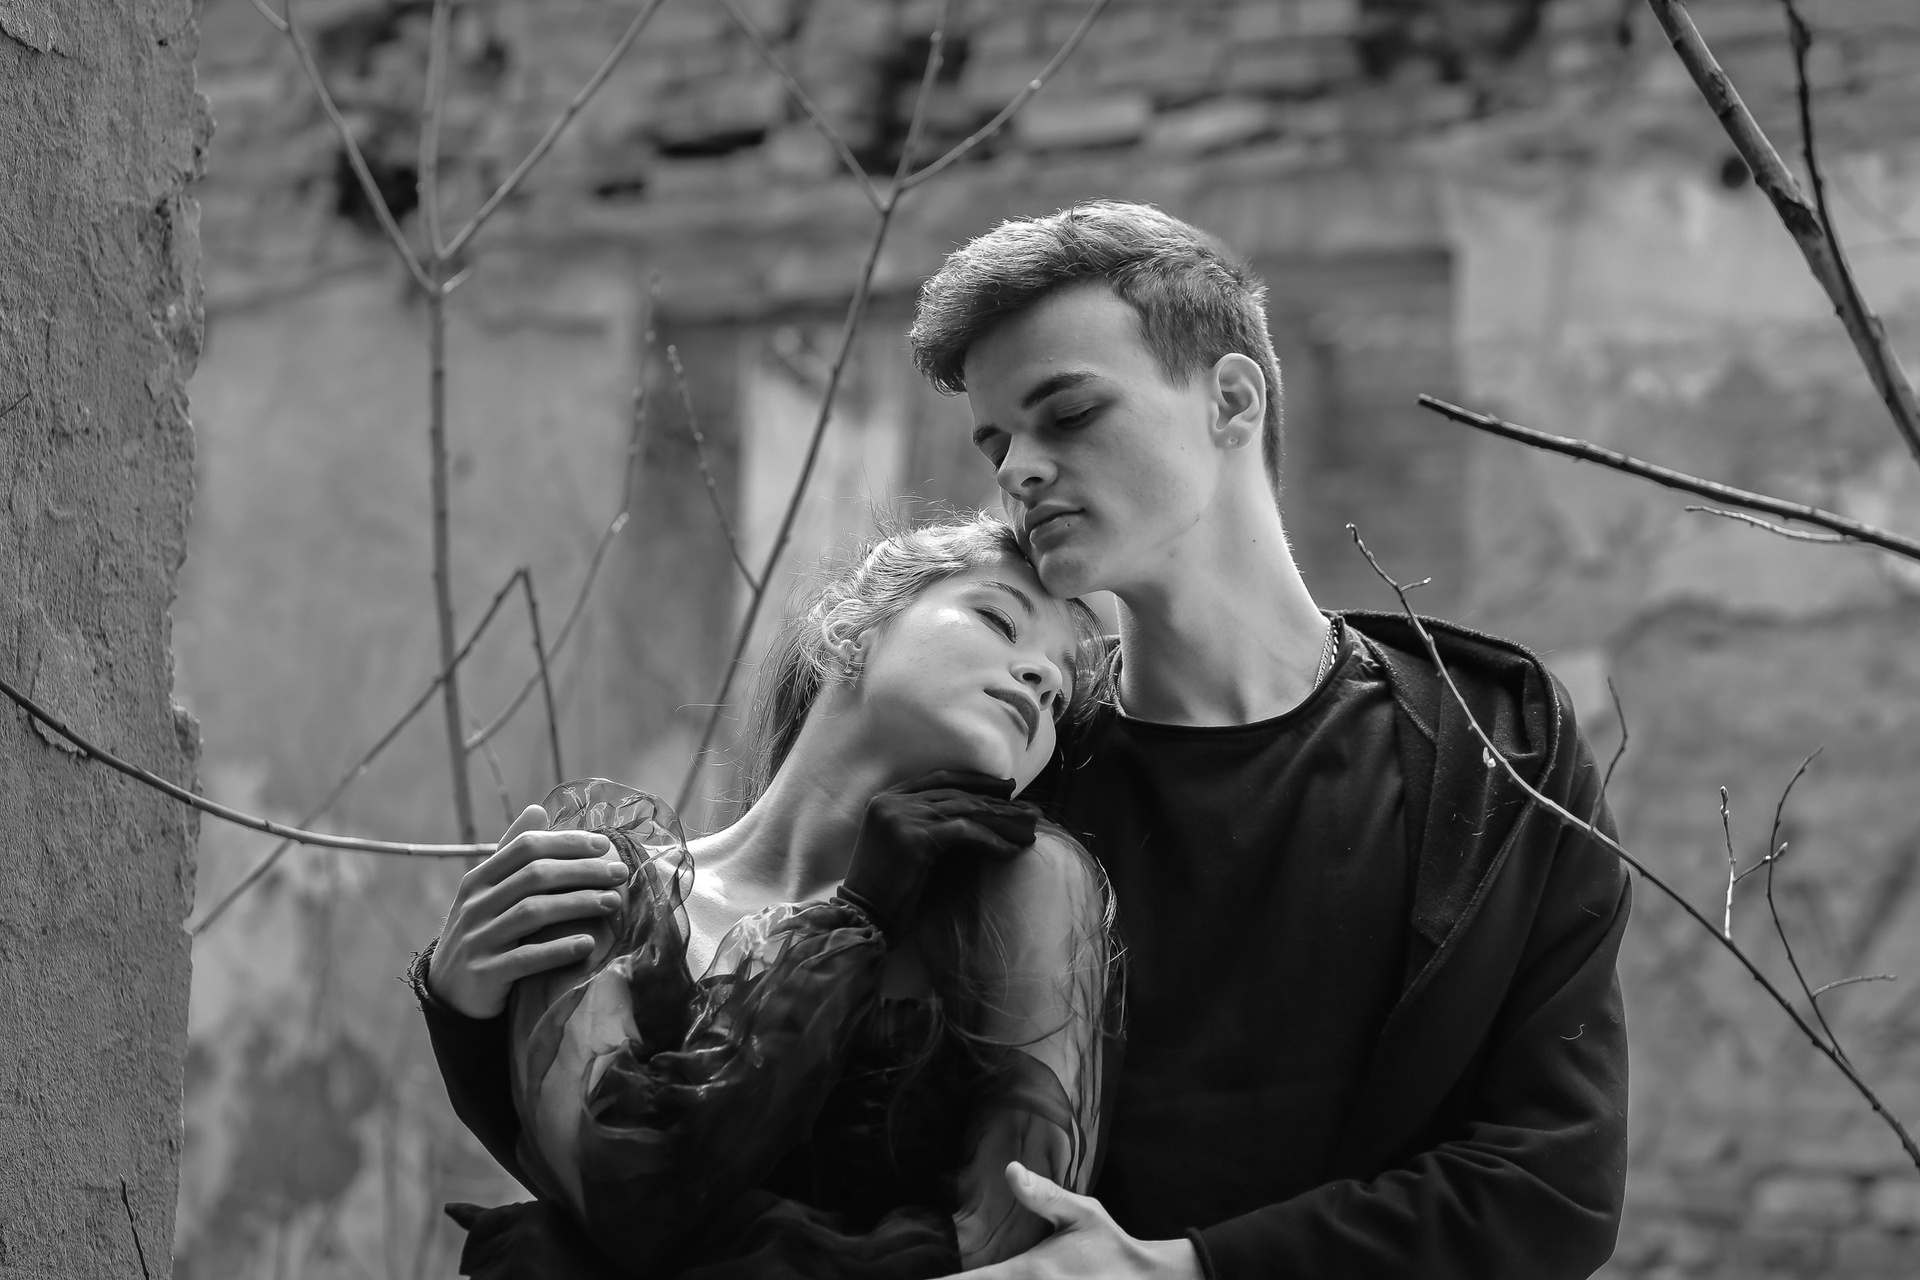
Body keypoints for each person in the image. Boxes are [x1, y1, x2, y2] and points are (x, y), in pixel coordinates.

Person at [897, 200, 1631, 1279]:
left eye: (1069, 413)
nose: (1017, 470)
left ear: (1232, 401)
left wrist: (1184, 1270)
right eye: (998, 441)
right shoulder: (1011, 765)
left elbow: (1552, 1188)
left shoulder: (1495, 744)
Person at [411, 514, 1119, 1278]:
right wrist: (857, 917)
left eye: (1060, 694)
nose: (1042, 680)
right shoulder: (609, 891)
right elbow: (624, 1192)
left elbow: (1016, 1242)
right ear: (851, 630)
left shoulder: (1029, 892)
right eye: (999, 620)